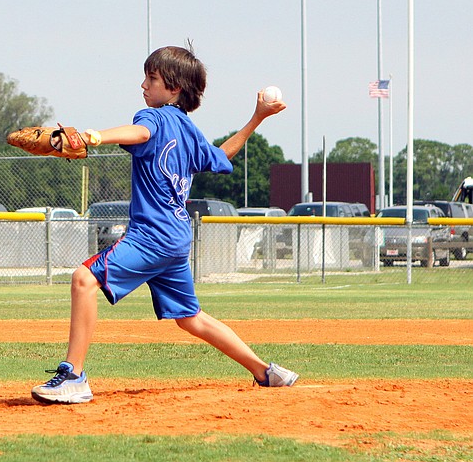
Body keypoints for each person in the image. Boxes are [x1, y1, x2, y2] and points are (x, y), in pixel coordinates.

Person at [31, 44, 298, 405]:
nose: (144, 85)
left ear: (174, 89)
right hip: (176, 238)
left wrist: (93, 136)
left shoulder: (154, 117)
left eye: (152, 78)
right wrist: (257, 118)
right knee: (191, 318)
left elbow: (139, 134)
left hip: (152, 236)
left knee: (83, 279)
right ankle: (266, 372)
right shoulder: (188, 130)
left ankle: (74, 376)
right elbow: (221, 156)